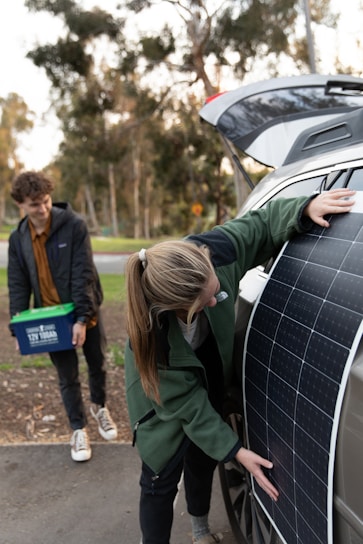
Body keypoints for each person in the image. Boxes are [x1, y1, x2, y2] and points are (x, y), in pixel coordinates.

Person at [124, 188, 355, 544]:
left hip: (208, 368)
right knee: (160, 478)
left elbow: (259, 225)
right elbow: (189, 407)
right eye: (207, 302)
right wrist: (236, 451)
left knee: (202, 460)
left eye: (216, 288)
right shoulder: (152, 340)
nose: (218, 300)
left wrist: (303, 207)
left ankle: (200, 530)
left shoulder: (217, 252)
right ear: (178, 309)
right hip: (162, 402)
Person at [7, 170, 118, 462]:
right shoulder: (18, 239)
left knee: (97, 363)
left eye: (45, 201)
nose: (42, 208)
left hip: (85, 309)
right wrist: (18, 329)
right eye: (34, 204)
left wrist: (81, 319)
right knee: (66, 375)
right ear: (21, 204)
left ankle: (99, 406)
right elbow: (17, 285)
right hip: (51, 319)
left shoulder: (74, 225)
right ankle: (78, 429)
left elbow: (83, 274)